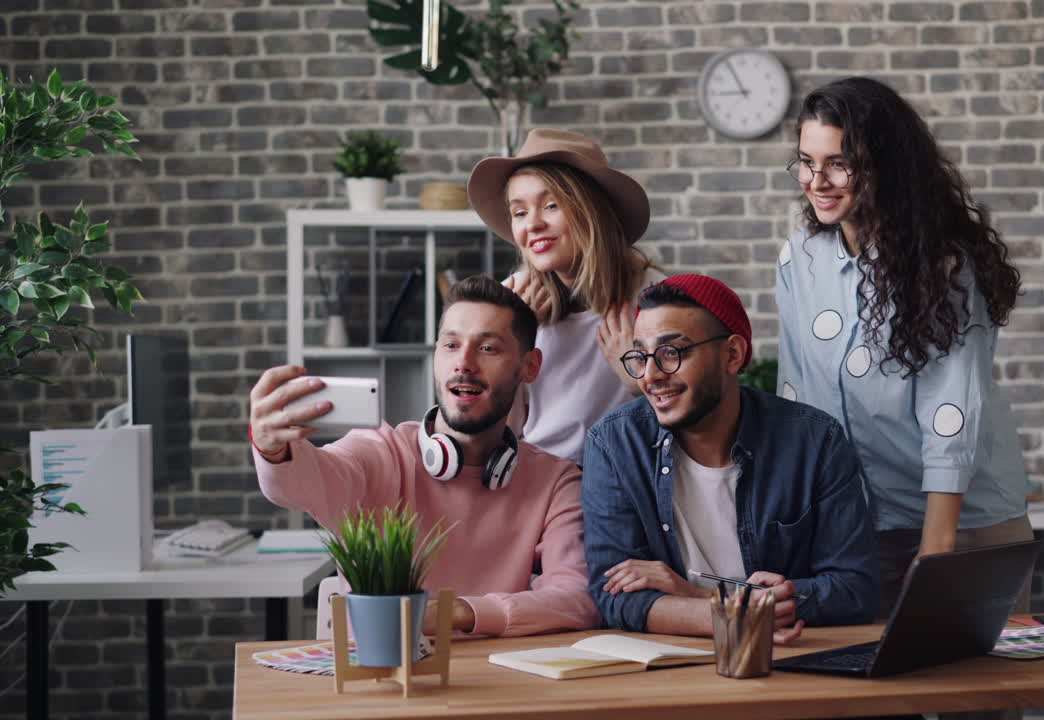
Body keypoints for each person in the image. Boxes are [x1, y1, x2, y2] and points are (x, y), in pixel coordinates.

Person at [774, 76, 1033, 620]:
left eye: (838, 163)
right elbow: (798, 399)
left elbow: (951, 412)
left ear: (884, 166)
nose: (816, 181)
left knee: (980, 700)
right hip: (857, 531)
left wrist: (935, 550)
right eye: (805, 161)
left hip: (961, 529)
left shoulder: (946, 267)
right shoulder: (799, 259)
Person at [249, 275, 599, 636]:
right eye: (450, 345)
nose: (463, 363)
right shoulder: (380, 450)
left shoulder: (555, 479)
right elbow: (301, 484)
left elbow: (577, 598)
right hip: (385, 681)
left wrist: (455, 613)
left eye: (488, 348)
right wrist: (272, 448)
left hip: (501, 683)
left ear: (530, 366)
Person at [581, 274, 879, 643]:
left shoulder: (814, 441)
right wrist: (742, 611)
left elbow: (854, 589)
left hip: (791, 658)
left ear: (733, 354)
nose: (651, 375)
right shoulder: (615, 444)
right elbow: (616, 598)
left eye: (672, 353)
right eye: (641, 356)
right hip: (669, 665)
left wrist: (701, 598)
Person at [468, 128, 665, 465]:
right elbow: (502, 429)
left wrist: (634, 374)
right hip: (533, 479)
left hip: (621, 482)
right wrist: (515, 342)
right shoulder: (511, 297)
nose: (533, 224)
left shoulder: (654, 298)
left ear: (592, 210)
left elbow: (686, 427)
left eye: (550, 205)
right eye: (519, 213)